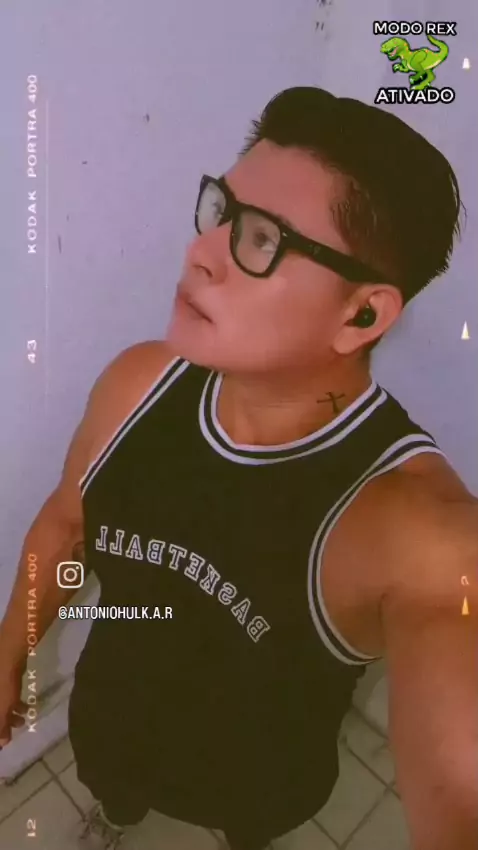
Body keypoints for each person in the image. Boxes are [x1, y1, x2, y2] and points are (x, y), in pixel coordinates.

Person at [0, 87, 477, 850]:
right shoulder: (138, 385)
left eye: (262, 239)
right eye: (222, 211)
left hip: (264, 781)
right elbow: (64, 527)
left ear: (362, 313)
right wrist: (9, 656)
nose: (202, 251)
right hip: (113, 724)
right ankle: (113, 819)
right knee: (115, 797)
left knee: (249, 831)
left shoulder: (407, 524)